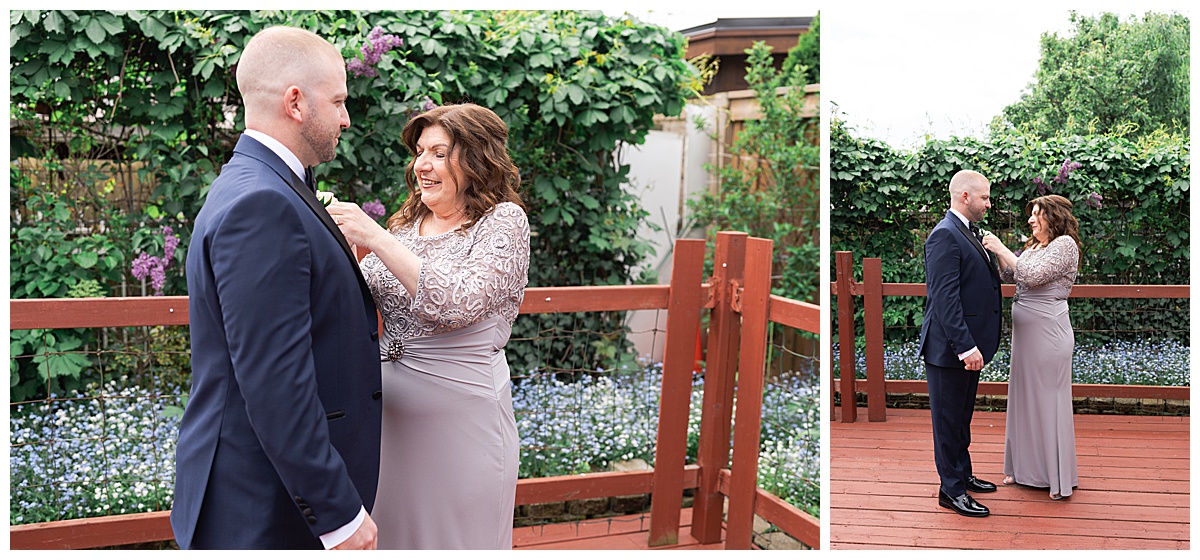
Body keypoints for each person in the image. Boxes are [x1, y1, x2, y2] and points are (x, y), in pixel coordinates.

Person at [172, 26, 382, 549]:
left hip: (267, 495)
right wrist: (338, 516)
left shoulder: (261, 184)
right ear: (295, 102)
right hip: (265, 507)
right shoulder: (261, 204)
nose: (345, 117)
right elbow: (275, 382)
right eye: (337, 101)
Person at [327, 102, 529, 549]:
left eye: (439, 153)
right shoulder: (408, 221)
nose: (422, 165)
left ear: (477, 158)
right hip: (385, 427)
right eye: (420, 152)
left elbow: (457, 302)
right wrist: (339, 249)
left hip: (462, 431)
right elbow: (363, 298)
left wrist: (373, 236)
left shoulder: (503, 223)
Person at [982, 194, 1080, 500]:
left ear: (1054, 217)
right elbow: (1011, 274)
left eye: (1037, 214)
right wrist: (998, 255)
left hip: (1049, 334)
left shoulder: (1065, 245)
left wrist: (1000, 247)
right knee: (1024, 399)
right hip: (1026, 338)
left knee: (1047, 401)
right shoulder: (1034, 246)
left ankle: (1053, 476)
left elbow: (1033, 275)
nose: (1030, 219)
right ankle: (1024, 469)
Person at [918, 169, 1002, 518]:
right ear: (964, 197)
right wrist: (965, 347)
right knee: (948, 421)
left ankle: (962, 474)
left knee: (961, 418)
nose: (988, 203)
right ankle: (950, 491)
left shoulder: (966, 232)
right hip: (950, 349)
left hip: (967, 347)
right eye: (984, 197)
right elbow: (945, 299)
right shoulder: (945, 235)